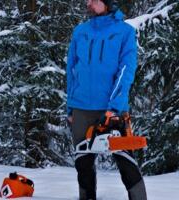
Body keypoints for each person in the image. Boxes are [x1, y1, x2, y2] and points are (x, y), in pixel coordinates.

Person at [66, 0, 147, 199]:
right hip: (81, 108)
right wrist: (70, 107)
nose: (89, 3)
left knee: (125, 161)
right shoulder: (80, 31)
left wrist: (114, 107)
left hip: (112, 111)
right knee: (83, 165)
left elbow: (126, 72)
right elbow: (72, 70)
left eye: (94, 0)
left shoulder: (124, 32)